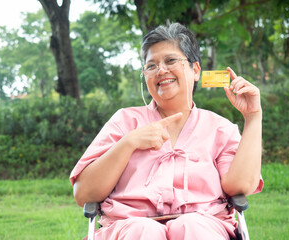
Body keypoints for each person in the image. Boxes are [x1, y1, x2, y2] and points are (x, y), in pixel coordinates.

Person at [70, 22, 263, 240]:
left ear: (195, 70)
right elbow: (83, 193)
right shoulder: (124, 122)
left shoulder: (219, 128)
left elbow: (241, 185)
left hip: (203, 226)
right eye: (151, 66)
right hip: (130, 228)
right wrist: (129, 142)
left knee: (192, 227)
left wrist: (253, 116)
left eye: (171, 60)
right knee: (143, 231)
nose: (161, 70)